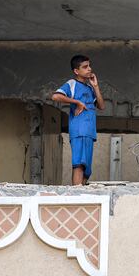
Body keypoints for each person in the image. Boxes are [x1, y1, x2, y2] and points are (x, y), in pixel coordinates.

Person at [51, 55, 106, 185]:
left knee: (87, 169)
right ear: (76, 71)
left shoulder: (89, 88)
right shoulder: (72, 83)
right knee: (79, 164)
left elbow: (102, 106)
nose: (89, 69)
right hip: (79, 130)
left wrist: (96, 86)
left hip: (89, 132)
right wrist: (77, 101)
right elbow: (55, 96)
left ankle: (81, 193)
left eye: (89, 66)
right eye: (85, 67)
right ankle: (77, 196)